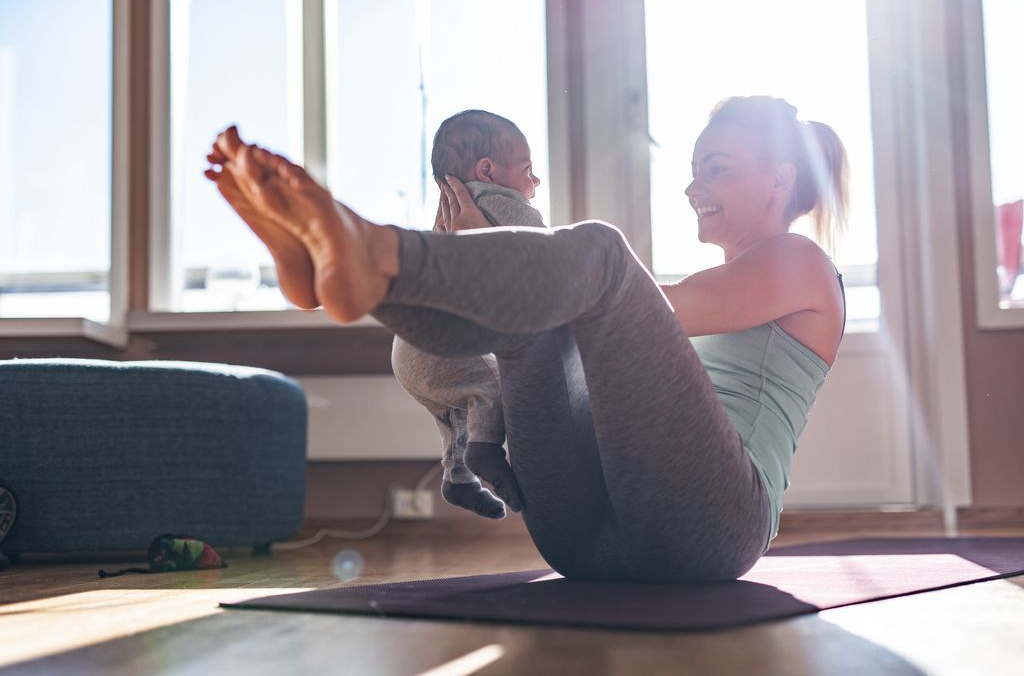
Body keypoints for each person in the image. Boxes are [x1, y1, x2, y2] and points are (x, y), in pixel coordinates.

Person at [205, 95, 848, 583]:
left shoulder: (800, 261)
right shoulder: (726, 278)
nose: (691, 188)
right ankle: (348, 277)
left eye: (716, 169)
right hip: (585, 537)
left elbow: (647, 304)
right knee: (534, 322)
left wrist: (497, 249)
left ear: (780, 180)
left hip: (715, 525)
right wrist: (493, 261)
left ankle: (375, 254)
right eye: (694, 170)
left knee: (603, 256)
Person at [391, 110, 544, 520]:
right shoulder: (497, 200)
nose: (536, 181)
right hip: (442, 343)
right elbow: (548, 252)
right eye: (528, 169)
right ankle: (486, 452)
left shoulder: (451, 211)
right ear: (488, 171)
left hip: (410, 349)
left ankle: (456, 475)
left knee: (459, 410)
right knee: (490, 387)